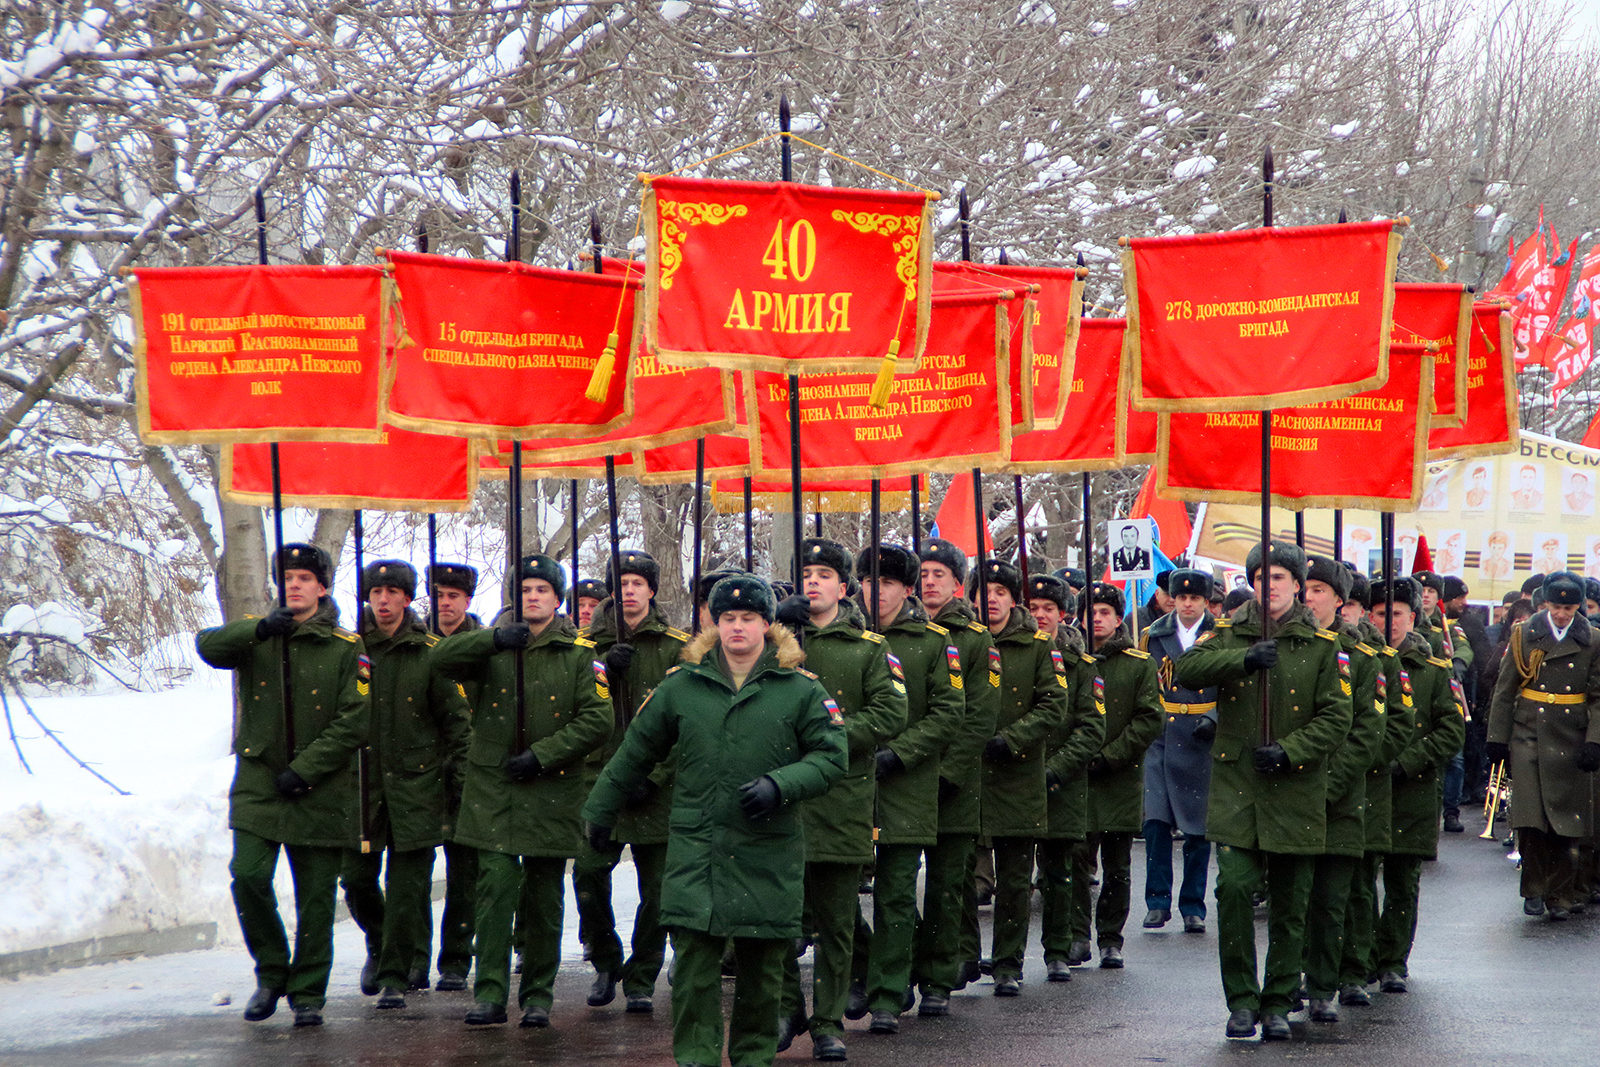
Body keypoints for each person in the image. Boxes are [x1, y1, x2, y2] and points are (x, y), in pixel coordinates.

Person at [581, 574, 847, 1067]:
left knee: (763, 976)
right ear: (713, 622)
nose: (738, 627)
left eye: (748, 618)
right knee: (695, 973)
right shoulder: (683, 686)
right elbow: (633, 753)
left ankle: (753, 1059)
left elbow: (833, 757)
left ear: (767, 624)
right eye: (728, 618)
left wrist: (780, 785)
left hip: (767, 847)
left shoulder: (800, 690)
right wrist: (600, 811)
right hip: (697, 848)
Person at [1174, 542, 1352, 1042]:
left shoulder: (1323, 648)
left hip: (1295, 788)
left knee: (1291, 902)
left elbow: (1338, 716)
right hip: (1238, 789)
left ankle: (1277, 1000)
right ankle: (1242, 1002)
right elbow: (1184, 672)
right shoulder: (1227, 633)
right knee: (1232, 889)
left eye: (1278, 577)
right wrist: (1243, 660)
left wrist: (1291, 750)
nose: (1268, 585)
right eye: (1259, 577)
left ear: (1297, 585)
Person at [432, 554, 612, 1028]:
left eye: (542, 590)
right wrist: (491, 638)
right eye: (525, 590)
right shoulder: (492, 647)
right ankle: (489, 993)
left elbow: (598, 719)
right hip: (494, 786)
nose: (532, 597)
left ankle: (537, 995)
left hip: (550, 789)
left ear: (558, 599)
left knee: (543, 898)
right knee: (493, 889)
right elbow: (439, 660)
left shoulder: (578, 654)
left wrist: (543, 755)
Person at [195, 543, 369, 1027]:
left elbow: (354, 720)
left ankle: (308, 991)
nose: (294, 584)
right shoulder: (258, 636)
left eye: (304, 578)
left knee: (316, 897)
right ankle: (271, 971)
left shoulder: (344, 646)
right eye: (287, 577)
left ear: (323, 587)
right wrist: (258, 627)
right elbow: (208, 646)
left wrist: (308, 769)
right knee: (249, 876)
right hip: (259, 781)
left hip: (320, 787)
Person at [773, 539, 906, 1061]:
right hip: (782, 797)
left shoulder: (869, 647)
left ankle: (829, 1020)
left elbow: (891, 713)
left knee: (835, 920)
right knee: (780, 917)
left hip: (841, 798)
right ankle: (787, 1005)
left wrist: (830, 735)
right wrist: (774, 633)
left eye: (824, 574)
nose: (813, 582)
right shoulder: (772, 642)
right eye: (805, 573)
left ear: (845, 587)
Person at [339, 560, 471, 1009]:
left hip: (418, 788)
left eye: (392, 592)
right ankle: (380, 942)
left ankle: (395, 975)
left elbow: (458, 726)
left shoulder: (431, 652)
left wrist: (456, 782)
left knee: (405, 888)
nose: (382, 599)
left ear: (407, 599)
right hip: (362, 788)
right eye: (375, 592)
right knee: (356, 878)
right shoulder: (351, 650)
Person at [851, 543, 964, 1031]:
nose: (876, 592)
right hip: (847, 785)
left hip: (906, 784)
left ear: (907, 589)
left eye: (888, 583)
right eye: (869, 581)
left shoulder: (933, 642)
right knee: (830, 897)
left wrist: (901, 752)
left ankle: (887, 994)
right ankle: (867, 970)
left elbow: (949, 712)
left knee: (895, 892)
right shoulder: (846, 636)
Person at [574, 550, 689, 1013]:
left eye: (638, 582)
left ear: (652, 590)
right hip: (598, 782)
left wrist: (656, 775)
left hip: (654, 788)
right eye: (620, 582)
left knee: (658, 890)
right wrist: (603, 667)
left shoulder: (677, 646)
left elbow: (688, 722)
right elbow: (571, 712)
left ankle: (642, 975)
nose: (629, 590)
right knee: (587, 876)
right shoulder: (582, 646)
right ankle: (605, 960)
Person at [910, 539, 998, 1016]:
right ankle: (915, 963)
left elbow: (980, 715)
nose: (928, 581)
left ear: (958, 584)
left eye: (938, 574)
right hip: (905, 774)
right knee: (900, 883)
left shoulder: (975, 638)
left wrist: (950, 771)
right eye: (922, 573)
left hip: (953, 779)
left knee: (948, 881)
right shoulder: (897, 632)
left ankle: (943, 973)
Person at [974, 558, 1069, 994]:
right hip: (968, 774)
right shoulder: (963, 641)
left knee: (1014, 879)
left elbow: (1054, 704)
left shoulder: (1037, 646)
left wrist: (1012, 739)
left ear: (1014, 600)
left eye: (1000, 592)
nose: (990, 599)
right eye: (983, 590)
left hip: (1016, 774)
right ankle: (964, 953)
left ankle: (1008, 962)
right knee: (960, 873)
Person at [1297, 556, 1383, 1023]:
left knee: (1333, 898)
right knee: (1292, 899)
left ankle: (1325, 985)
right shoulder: (1290, 647)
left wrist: (1326, 784)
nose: (1308, 598)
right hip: (1291, 791)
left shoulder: (1364, 658)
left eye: (1318, 589)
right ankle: (1289, 979)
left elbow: (1368, 730)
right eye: (1304, 588)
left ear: (1339, 599)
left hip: (1338, 794)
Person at [1369, 578, 1465, 990]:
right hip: (1367, 789)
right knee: (1357, 882)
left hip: (1412, 790)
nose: (1388, 623)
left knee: (1402, 882)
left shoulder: (1434, 672)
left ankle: (1392, 959)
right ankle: (1362, 956)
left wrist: (1407, 762)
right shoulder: (1359, 661)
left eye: (1396, 615)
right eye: (1379, 614)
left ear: (1413, 617)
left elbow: (1451, 730)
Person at [1486, 572, 1600, 919]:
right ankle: (1534, 888)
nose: (1562, 614)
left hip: (1572, 733)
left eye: (1569, 606)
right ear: (1545, 604)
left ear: (1579, 605)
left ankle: (1561, 893)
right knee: (1531, 818)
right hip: (1529, 731)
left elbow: (1597, 697)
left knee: (1567, 820)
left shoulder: (1593, 640)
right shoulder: (1525, 635)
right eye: (1556, 606)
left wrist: (1595, 741)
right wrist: (1496, 739)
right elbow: (1505, 690)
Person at [1077, 582, 1161, 968]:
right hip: (1075, 776)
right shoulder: (1070, 660)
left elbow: (1148, 720)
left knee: (1117, 865)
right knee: (1074, 862)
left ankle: (1111, 937)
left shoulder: (1138, 664)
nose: (1096, 619)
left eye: (1104, 612)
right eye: (1089, 612)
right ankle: (1076, 935)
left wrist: (1111, 756)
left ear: (1118, 617)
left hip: (1118, 778)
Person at [1028, 574, 1105, 981]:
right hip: (1016, 777)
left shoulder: (1082, 667)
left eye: (1049, 610)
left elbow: (1091, 727)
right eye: (1034, 608)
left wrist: (1056, 768)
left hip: (1063, 780)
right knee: (1014, 871)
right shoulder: (1011, 656)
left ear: (1064, 615)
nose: (1040, 616)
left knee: (1060, 868)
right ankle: (1005, 958)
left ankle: (1059, 947)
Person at [1139, 568, 1217, 936]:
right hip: (1161, 735)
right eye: (1181, 597)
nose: (1187, 604)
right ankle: (1156, 902)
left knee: (1197, 830)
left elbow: (1233, 685)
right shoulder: (1152, 635)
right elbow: (1144, 684)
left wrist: (1214, 718)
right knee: (1155, 823)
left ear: (1205, 601)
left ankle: (1193, 905)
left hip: (1201, 738)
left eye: (1194, 598)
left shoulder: (1221, 635)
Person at [421, 561, 482, 992]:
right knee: (412, 873)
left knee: (464, 874)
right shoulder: (414, 644)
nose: (445, 604)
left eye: (453, 596)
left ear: (467, 600)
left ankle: (456, 958)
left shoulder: (483, 645)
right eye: (439, 596)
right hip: (419, 773)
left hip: (470, 770)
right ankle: (407, 957)